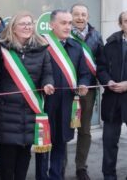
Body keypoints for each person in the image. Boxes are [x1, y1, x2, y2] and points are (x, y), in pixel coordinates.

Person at [0, 11, 55, 180]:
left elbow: (47, 73)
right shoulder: (1, 48)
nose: (27, 27)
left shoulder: (42, 48)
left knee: (24, 160)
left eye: (30, 23)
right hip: (6, 113)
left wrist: (48, 84)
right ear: (13, 27)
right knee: (6, 164)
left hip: (30, 111)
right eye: (23, 24)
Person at [36, 9, 91, 180]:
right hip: (45, 102)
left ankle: (56, 176)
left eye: (69, 23)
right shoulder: (41, 44)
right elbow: (34, 72)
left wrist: (83, 83)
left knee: (61, 142)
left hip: (67, 103)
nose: (68, 27)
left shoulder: (76, 46)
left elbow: (85, 72)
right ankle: (41, 176)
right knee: (43, 144)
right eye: (63, 23)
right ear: (52, 25)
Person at [70, 3, 104, 180]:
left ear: (88, 17)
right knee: (62, 128)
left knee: (84, 130)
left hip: (87, 90)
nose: (80, 18)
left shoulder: (96, 36)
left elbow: (102, 62)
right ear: (71, 16)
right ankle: (58, 166)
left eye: (83, 14)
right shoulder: (64, 34)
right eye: (76, 14)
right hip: (66, 89)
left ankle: (81, 167)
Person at [97, 11, 127, 180]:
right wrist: (107, 81)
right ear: (120, 24)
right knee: (109, 142)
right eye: (126, 21)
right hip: (112, 100)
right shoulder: (110, 44)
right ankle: (109, 176)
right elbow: (100, 68)